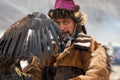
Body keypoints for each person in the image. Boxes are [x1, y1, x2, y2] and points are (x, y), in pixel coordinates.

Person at [46, 0, 111, 80]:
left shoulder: (92, 48)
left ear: (75, 23)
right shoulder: (47, 48)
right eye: (57, 23)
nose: (61, 28)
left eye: (66, 23)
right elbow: (35, 71)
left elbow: (98, 76)